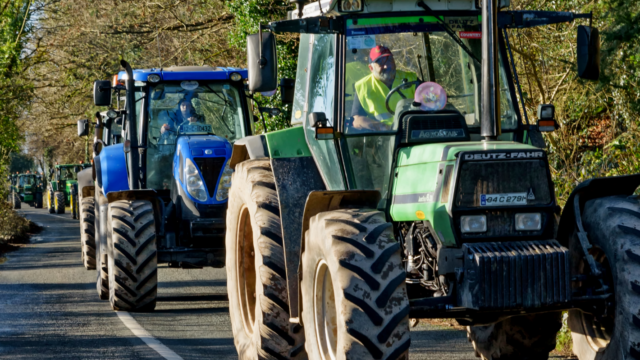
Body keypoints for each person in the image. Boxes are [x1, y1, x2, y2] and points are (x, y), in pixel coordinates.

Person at [351, 45, 418, 131]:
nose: (386, 66)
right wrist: (383, 128)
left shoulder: (412, 79)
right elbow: (357, 120)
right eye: (380, 62)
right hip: (384, 138)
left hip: (413, 130)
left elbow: (432, 101)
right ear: (371, 68)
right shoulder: (363, 87)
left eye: (389, 60)